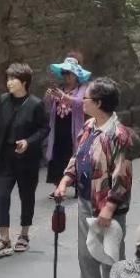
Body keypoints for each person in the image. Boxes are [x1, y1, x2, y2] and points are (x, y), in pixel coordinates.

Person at [51, 77, 133, 278]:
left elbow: (122, 175)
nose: (82, 101)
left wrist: (109, 207)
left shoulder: (119, 135)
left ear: (98, 103)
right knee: (86, 253)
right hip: (86, 199)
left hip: (108, 207)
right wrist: (66, 180)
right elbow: (79, 157)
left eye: (86, 98)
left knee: (110, 256)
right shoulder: (88, 127)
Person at [0, 64, 50, 258]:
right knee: (1, 196)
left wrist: (28, 142)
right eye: (8, 78)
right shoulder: (3, 100)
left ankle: (24, 235)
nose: (8, 82)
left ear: (24, 82)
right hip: (5, 157)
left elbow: (44, 129)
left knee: (26, 196)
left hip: (27, 160)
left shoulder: (36, 104)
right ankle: (4, 238)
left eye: (13, 79)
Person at [43, 55, 91, 186]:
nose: (67, 76)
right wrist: (48, 97)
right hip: (58, 127)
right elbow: (47, 107)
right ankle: (58, 185)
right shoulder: (60, 88)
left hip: (73, 127)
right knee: (57, 155)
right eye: (64, 73)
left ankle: (77, 185)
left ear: (76, 74)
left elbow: (81, 103)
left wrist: (64, 97)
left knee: (74, 154)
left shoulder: (82, 88)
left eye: (69, 73)